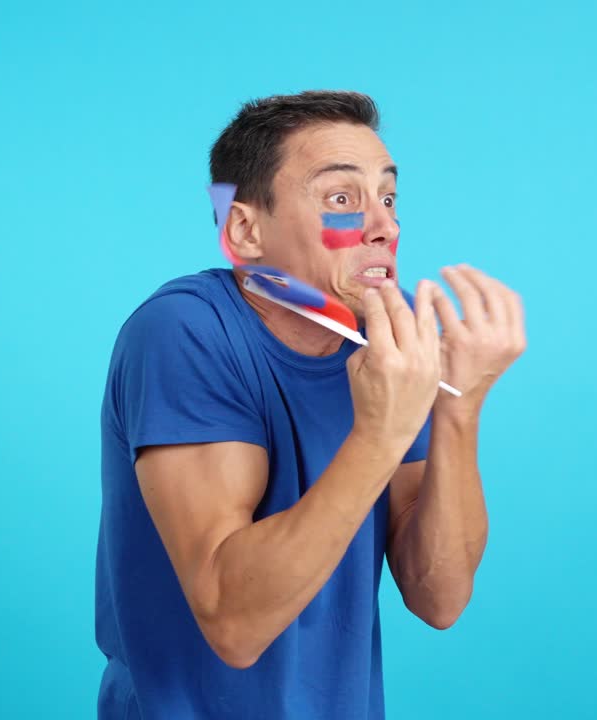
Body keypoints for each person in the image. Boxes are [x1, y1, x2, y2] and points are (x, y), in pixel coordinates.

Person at [94, 90, 525, 719]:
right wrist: (380, 433)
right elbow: (233, 623)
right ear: (244, 229)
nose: (384, 226)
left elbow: (440, 597)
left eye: (388, 196)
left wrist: (458, 406)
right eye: (342, 199)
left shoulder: (391, 334)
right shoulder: (183, 332)